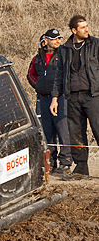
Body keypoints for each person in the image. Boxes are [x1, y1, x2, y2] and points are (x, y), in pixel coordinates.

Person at [51, 15, 99, 176]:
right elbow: (59, 76)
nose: (87, 29)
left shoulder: (96, 44)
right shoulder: (65, 49)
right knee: (75, 133)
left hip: (93, 96)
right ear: (74, 30)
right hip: (72, 98)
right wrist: (55, 98)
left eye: (87, 26)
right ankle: (81, 169)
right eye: (83, 27)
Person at [28, 29, 73, 174]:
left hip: (60, 98)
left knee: (62, 129)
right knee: (46, 131)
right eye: (54, 39)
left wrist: (60, 91)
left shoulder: (63, 55)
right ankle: (51, 162)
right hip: (43, 99)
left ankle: (65, 162)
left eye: (59, 38)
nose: (58, 41)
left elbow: (68, 75)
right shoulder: (37, 58)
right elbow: (31, 75)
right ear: (45, 41)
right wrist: (40, 87)